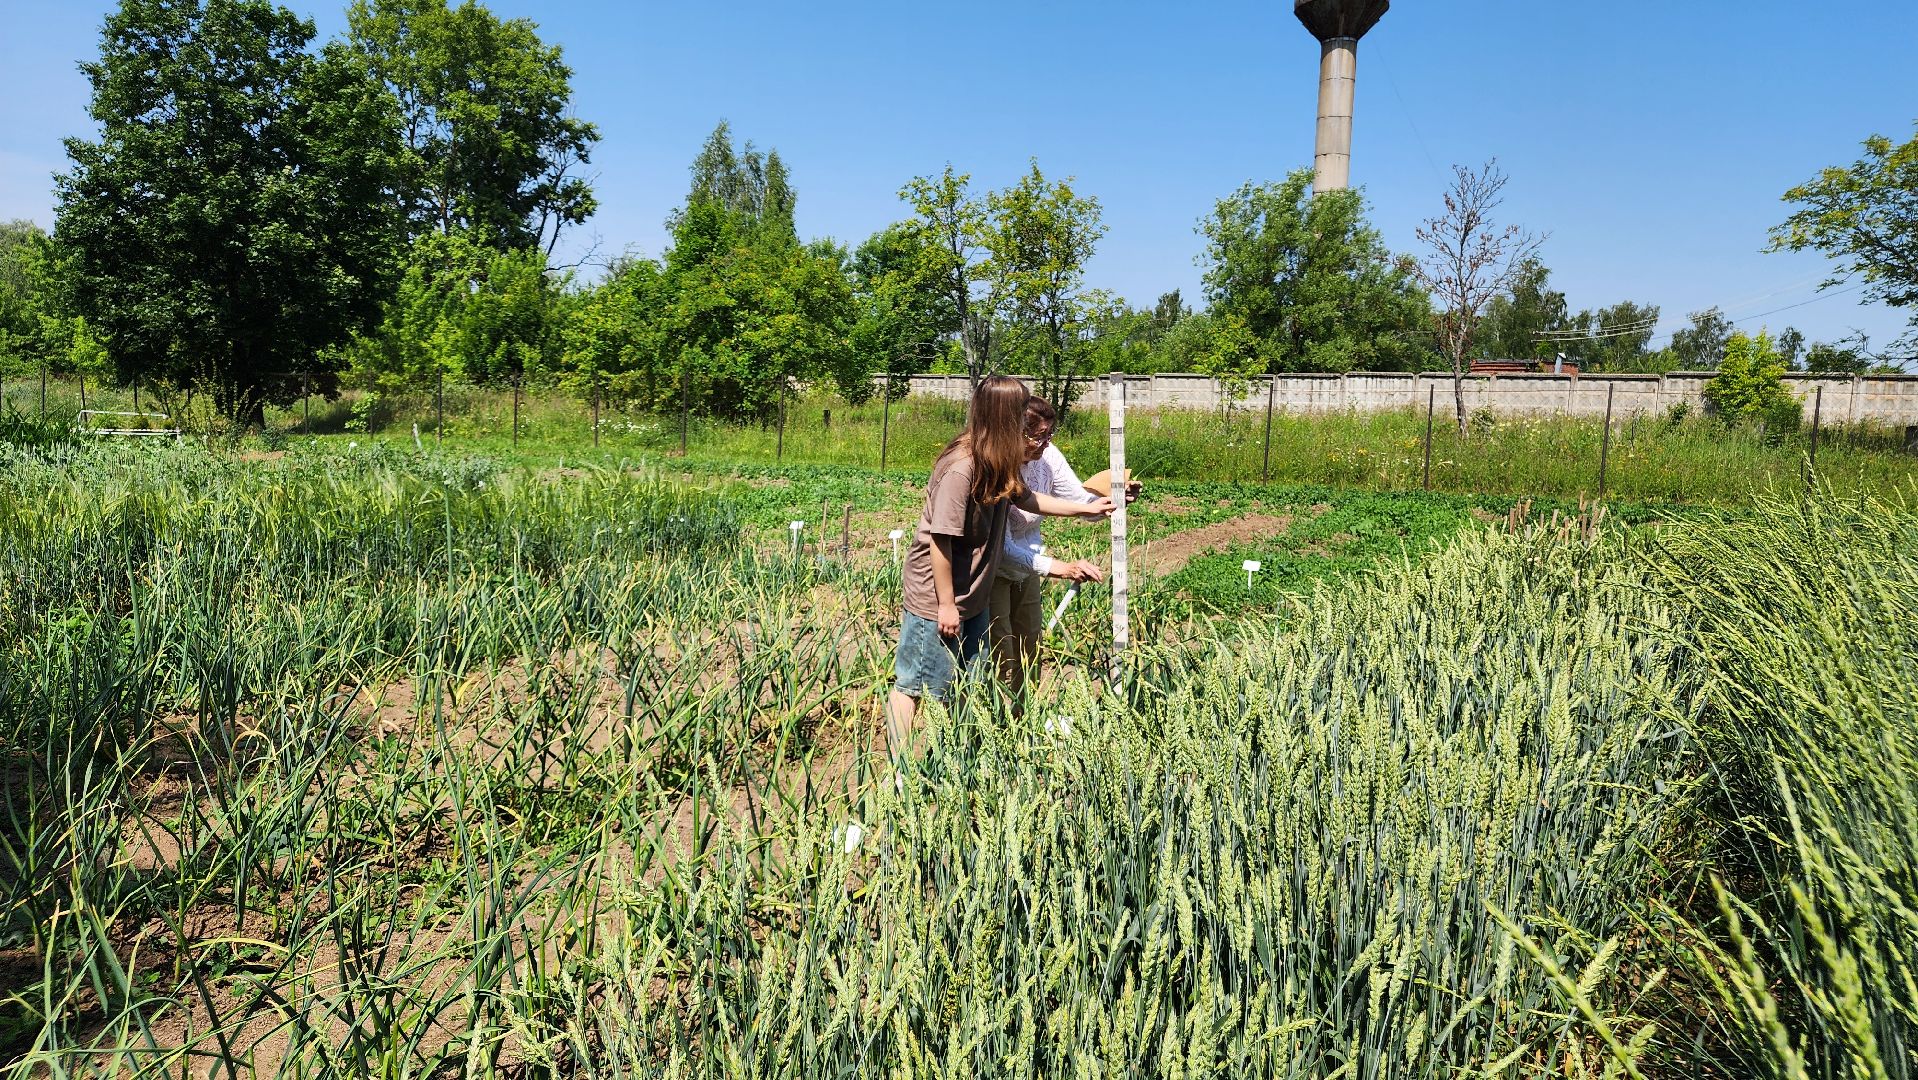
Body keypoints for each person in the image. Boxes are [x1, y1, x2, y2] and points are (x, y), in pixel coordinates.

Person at [886, 377, 1112, 754]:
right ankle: (901, 776)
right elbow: (941, 541)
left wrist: (1088, 508)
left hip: (973, 593)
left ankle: (958, 758)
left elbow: (1031, 500)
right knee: (916, 685)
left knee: (965, 683)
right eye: (1020, 411)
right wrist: (945, 604)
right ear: (1004, 418)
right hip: (937, 595)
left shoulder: (998, 464)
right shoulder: (962, 468)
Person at [990, 397, 1134, 696]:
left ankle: (1022, 720)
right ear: (1017, 433)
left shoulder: (1048, 458)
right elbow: (1001, 548)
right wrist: (1062, 569)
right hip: (993, 571)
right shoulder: (998, 466)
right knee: (1000, 652)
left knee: (1030, 648)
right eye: (1038, 436)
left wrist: (1113, 499)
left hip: (1028, 565)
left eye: (1049, 434)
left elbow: (1081, 503)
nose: (1045, 443)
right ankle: (995, 725)